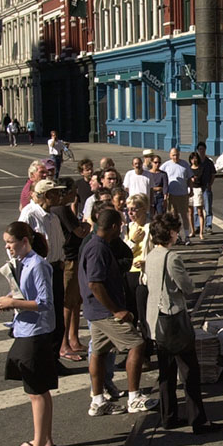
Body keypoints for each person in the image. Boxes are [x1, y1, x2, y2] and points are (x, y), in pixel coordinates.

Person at [145, 214, 223, 433]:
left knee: (166, 372)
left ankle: (168, 416)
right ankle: (198, 419)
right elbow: (186, 286)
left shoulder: (151, 256)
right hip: (174, 319)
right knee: (189, 371)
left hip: (156, 319)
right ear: (171, 233)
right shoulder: (172, 258)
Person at [78, 208, 158, 415]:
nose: (122, 227)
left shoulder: (94, 244)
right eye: (120, 224)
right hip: (105, 311)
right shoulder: (98, 248)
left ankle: (98, 400)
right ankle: (134, 397)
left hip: (95, 310)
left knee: (99, 351)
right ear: (113, 226)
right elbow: (94, 283)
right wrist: (116, 310)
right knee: (137, 344)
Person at [0, 222, 57, 446]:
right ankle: (44, 439)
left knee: (36, 391)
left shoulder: (37, 264)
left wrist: (13, 304)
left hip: (36, 332)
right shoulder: (23, 263)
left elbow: (44, 302)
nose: (8, 247)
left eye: (10, 242)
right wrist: (10, 299)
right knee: (38, 390)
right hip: (25, 329)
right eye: (6, 243)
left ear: (25, 241)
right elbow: (26, 295)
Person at [20, 179, 68, 359]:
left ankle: (53, 358)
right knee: (43, 316)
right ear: (46, 195)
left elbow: (60, 241)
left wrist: (61, 260)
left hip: (55, 270)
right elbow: (19, 243)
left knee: (56, 317)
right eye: (55, 193)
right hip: (39, 271)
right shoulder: (30, 214)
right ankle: (44, 359)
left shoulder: (53, 216)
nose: (59, 196)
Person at [52, 177, 91, 359]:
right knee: (68, 302)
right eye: (74, 189)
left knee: (76, 301)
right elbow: (80, 231)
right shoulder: (62, 209)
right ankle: (64, 344)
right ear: (66, 191)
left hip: (74, 257)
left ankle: (74, 339)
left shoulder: (66, 209)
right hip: (69, 259)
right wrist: (87, 224)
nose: (77, 193)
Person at [124, 193, 153, 350]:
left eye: (134, 209)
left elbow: (156, 252)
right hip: (129, 273)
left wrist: (146, 262)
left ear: (144, 209)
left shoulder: (151, 227)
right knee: (131, 313)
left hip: (144, 275)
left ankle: (147, 348)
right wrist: (132, 241)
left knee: (144, 313)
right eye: (128, 210)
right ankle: (133, 348)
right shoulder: (129, 228)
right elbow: (123, 252)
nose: (131, 213)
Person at [162, 148, 193, 242]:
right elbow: (160, 176)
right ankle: (177, 235)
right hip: (171, 194)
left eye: (177, 155)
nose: (175, 157)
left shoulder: (184, 164)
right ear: (170, 155)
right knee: (173, 216)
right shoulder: (166, 165)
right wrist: (164, 192)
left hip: (183, 194)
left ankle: (187, 236)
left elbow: (190, 178)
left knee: (184, 215)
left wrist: (191, 190)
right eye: (173, 155)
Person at [196, 141, 217, 233]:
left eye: (203, 149)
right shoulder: (196, 161)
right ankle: (197, 226)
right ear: (197, 150)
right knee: (197, 208)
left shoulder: (209, 162)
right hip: (197, 188)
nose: (201, 151)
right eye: (200, 149)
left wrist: (210, 184)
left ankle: (208, 225)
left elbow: (213, 174)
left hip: (206, 187)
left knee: (208, 207)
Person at [189, 152, 207, 241]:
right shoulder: (188, 169)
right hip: (189, 189)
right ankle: (192, 231)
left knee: (200, 212)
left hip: (198, 189)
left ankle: (201, 232)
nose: (194, 160)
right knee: (190, 212)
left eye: (195, 158)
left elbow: (203, 179)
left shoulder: (201, 168)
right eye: (192, 158)